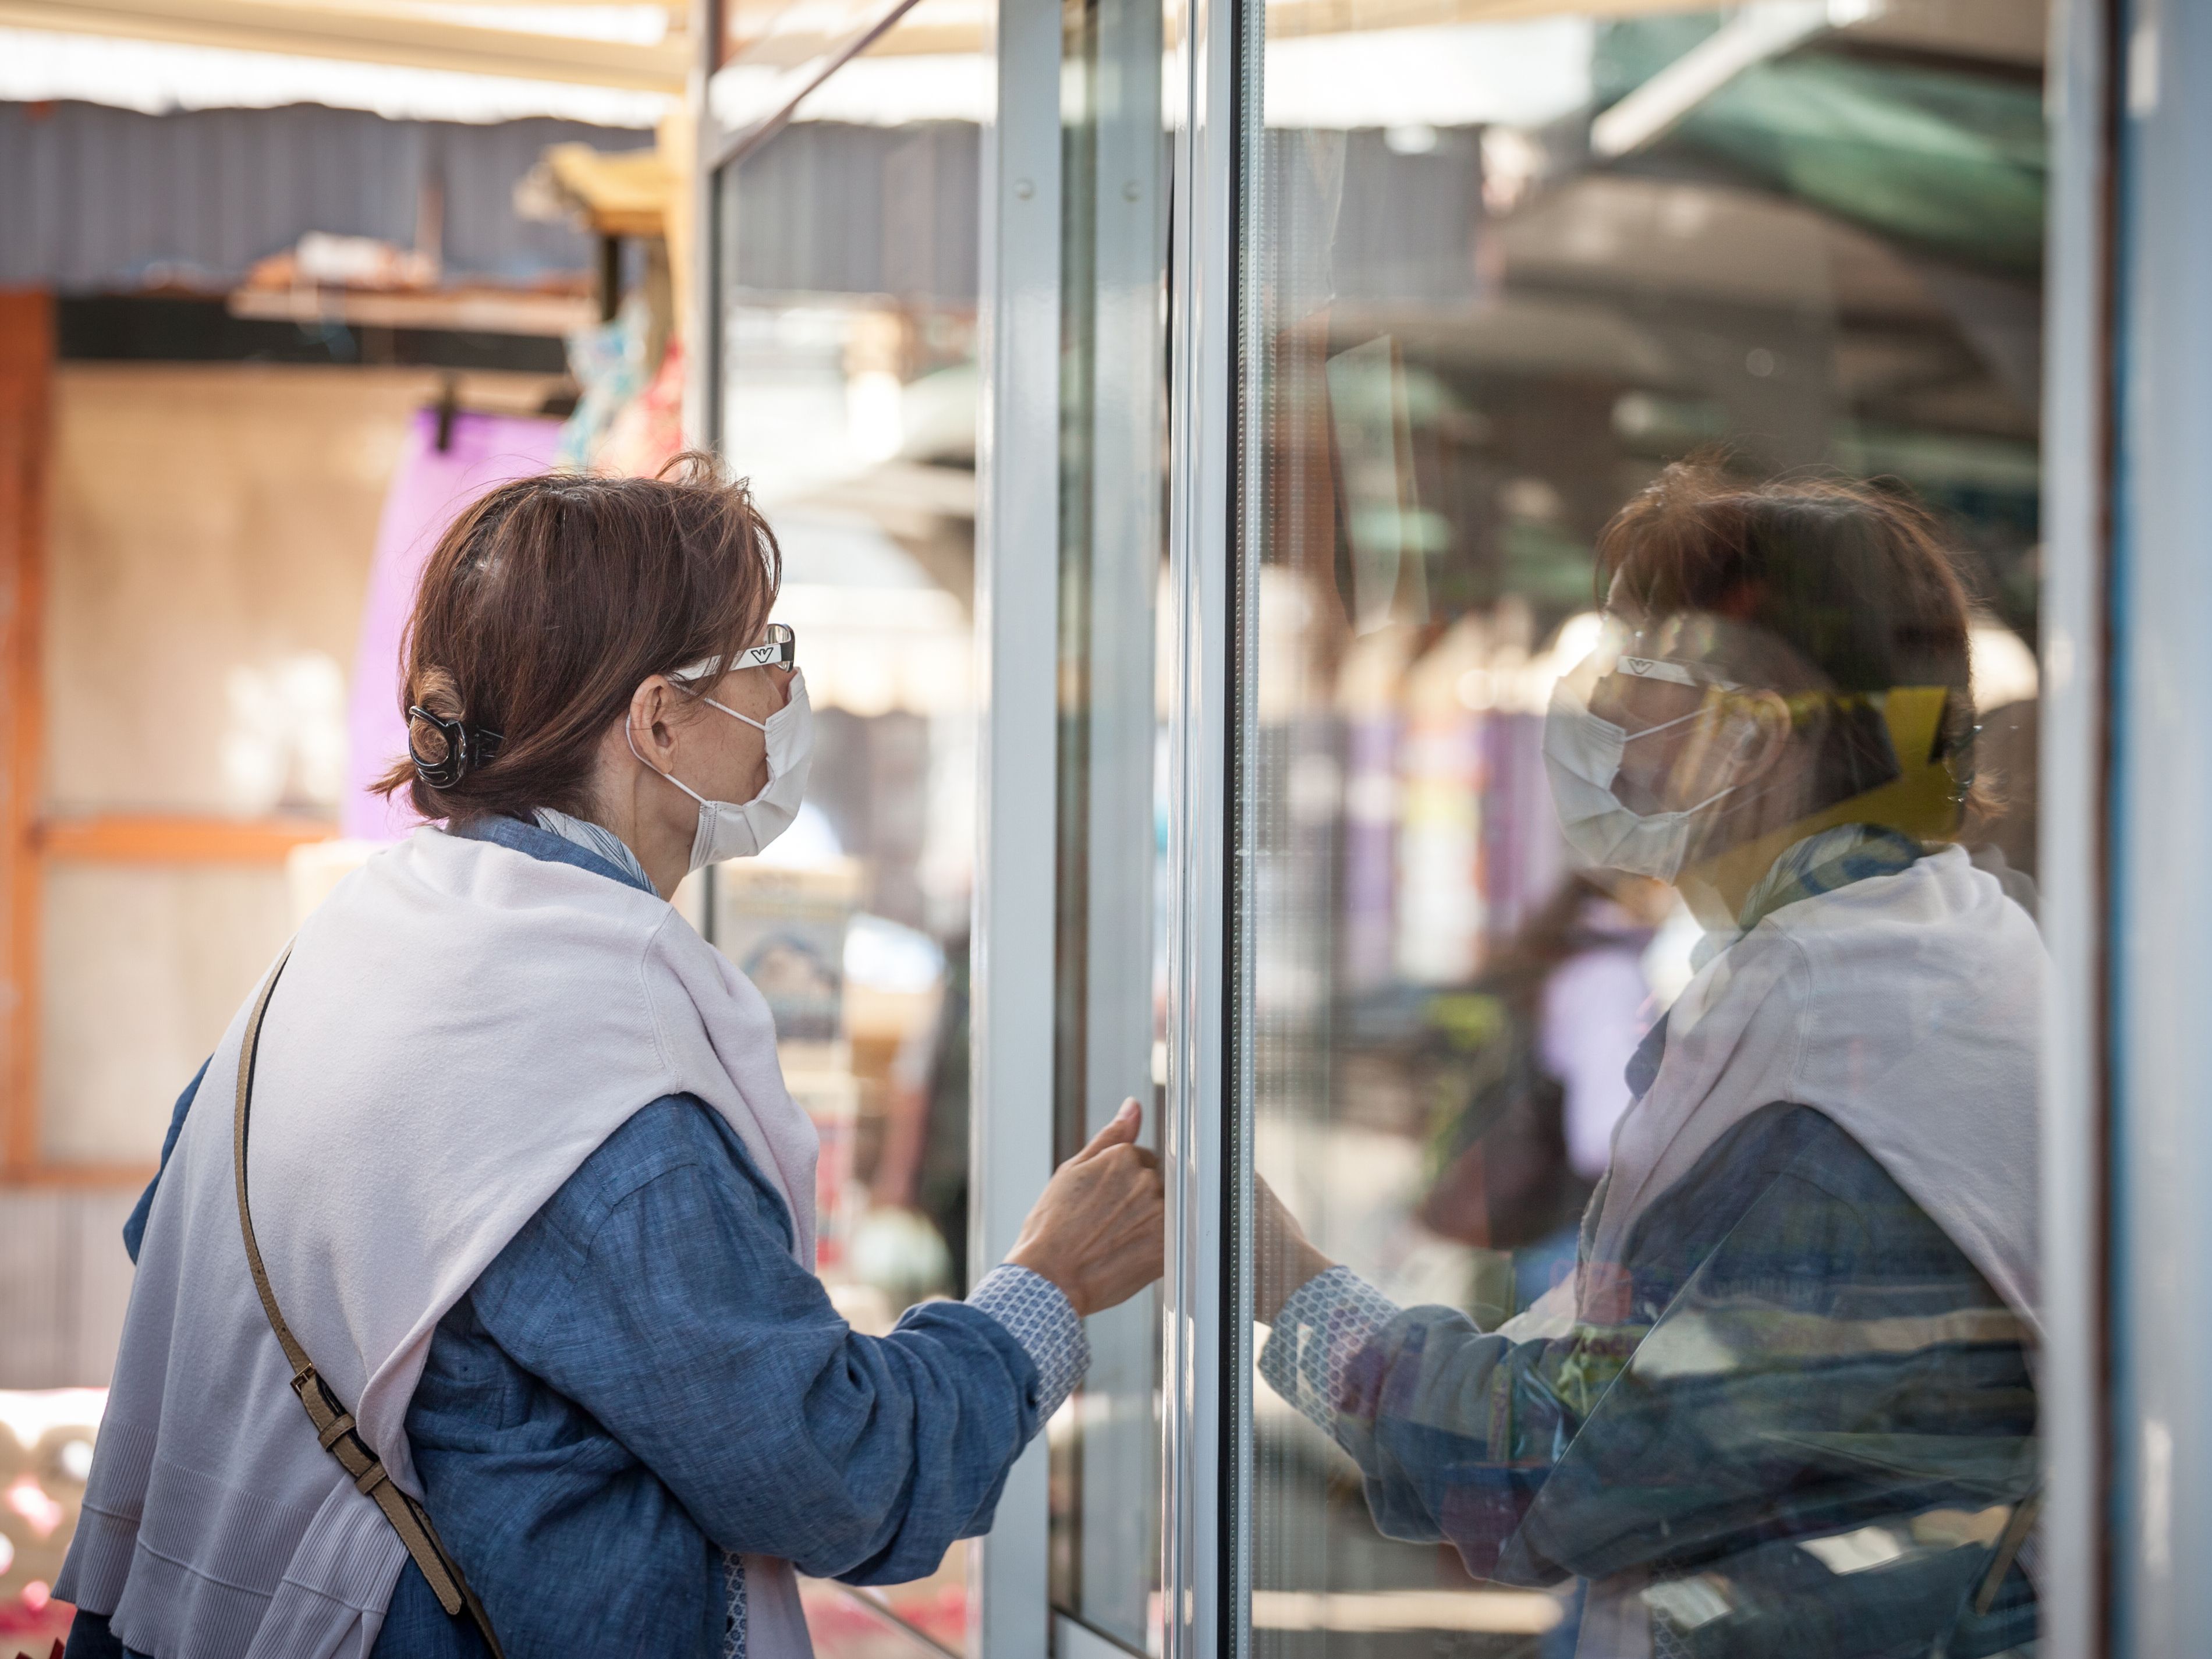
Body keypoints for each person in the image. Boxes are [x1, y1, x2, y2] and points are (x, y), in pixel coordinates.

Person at [58, 459, 1164, 1659]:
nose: (786, 686)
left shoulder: (356, 942)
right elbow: (833, 1478)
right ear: (657, 721)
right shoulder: (585, 1065)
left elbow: (180, 1240)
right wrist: (1048, 1288)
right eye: (757, 650)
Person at [1256, 464, 2044, 1657]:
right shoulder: (1929, 951)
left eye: (1641, 674)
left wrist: (1284, 1287)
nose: (1600, 712)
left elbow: (1554, 1474)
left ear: (1750, 747)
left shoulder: (1834, 1049)